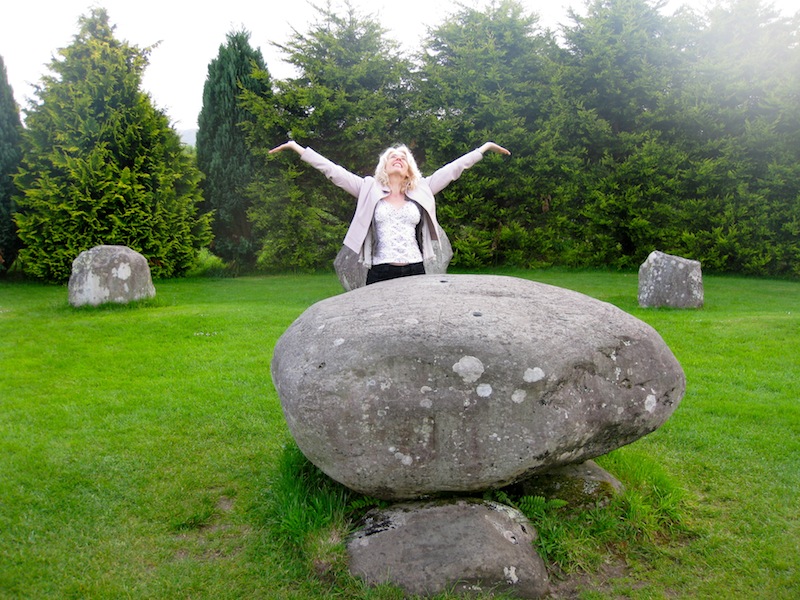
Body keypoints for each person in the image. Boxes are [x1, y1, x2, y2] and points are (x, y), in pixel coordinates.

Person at [269, 140, 511, 285]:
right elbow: (333, 171)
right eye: (392, 157)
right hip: (380, 269)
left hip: (416, 268)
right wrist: (298, 149)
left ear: (408, 169)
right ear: (384, 166)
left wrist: (483, 149)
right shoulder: (367, 188)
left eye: (403, 158)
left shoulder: (422, 188)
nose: (398, 159)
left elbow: (453, 169)